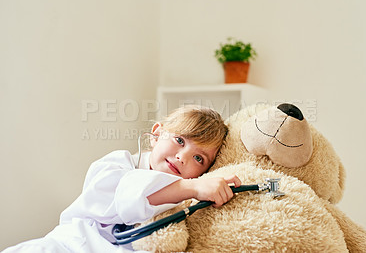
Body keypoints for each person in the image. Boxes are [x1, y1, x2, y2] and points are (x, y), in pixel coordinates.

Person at [3, 105, 241, 253]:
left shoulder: (188, 201)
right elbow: (128, 196)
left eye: (198, 158)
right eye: (179, 140)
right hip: (70, 246)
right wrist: (193, 186)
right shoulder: (116, 165)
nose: (182, 157)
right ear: (156, 135)